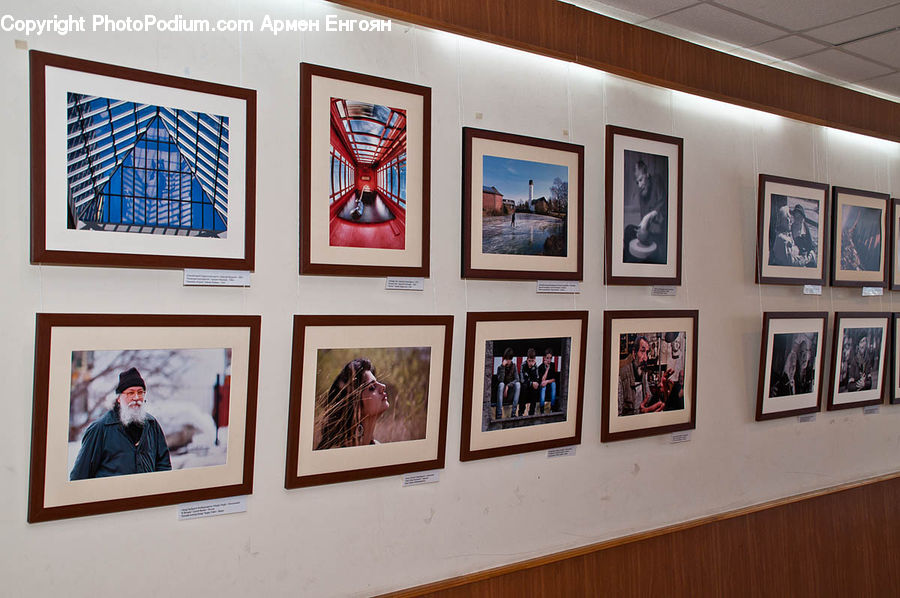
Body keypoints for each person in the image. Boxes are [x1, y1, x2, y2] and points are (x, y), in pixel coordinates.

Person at [70, 367, 171, 480]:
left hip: (146, 495)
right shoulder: (100, 428)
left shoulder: (152, 425)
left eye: (140, 392)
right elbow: (80, 475)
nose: (136, 398)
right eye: (130, 393)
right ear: (119, 398)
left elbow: (164, 465)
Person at [316, 358, 390, 449]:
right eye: (372, 387)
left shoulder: (380, 449)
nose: (383, 386)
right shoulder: (335, 453)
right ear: (355, 405)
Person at [624, 159, 667, 263]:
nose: (639, 185)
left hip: (658, 232)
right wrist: (641, 228)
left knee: (652, 255)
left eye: (641, 180)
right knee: (629, 230)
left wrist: (648, 217)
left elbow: (664, 205)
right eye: (637, 182)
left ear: (647, 175)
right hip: (648, 232)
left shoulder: (657, 180)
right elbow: (644, 222)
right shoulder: (642, 192)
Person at [618, 336, 651, 416]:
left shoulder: (643, 373)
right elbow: (618, 411)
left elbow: (648, 397)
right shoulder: (622, 374)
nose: (645, 358)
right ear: (634, 353)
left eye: (647, 353)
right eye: (642, 351)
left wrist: (659, 393)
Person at [495, 347, 521, 419]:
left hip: (510, 393)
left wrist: (508, 386)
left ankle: (513, 413)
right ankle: (499, 414)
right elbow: (500, 380)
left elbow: (517, 379)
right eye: (506, 359)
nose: (508, 361)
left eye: (509, 359)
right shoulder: (500, 368)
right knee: (501, 384)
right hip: (502, 395)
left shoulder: (514, 366)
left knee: (518, 384)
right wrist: (503, 367)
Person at [519, 348, 540, 416]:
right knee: (524, 387)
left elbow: (536, 379)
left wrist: (532, 368)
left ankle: (531, 412)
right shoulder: (523, 365)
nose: (531, 363)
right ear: (527, 359)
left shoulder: (535, 366)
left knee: (535, 389)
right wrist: (531, 383)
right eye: (529, 361)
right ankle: (521, 412)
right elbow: (522, 380)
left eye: (532, 361)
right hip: (525, 387)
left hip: (531, 388)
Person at [538, 347, 560, 413]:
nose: (549, 360)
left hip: (549, 384)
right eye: (547, 358)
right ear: (544, 358)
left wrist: (547, 381)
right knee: (543, 386)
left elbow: (554, 379)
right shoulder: (541, 366)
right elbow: (542, 380)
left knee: (553, 384)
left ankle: (552, 408)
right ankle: (542, 409)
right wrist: (547, 369)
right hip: (543, 386)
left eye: (550, 358)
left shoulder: (553, 365)